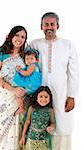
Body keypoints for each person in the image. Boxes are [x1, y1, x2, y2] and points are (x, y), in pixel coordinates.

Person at [30, 12, 79, 150]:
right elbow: (20, 56)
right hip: (39, 92)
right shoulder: (34, 44)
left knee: (63, 123)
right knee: (40, 122)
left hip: (61, 91)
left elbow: (74, 72)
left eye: (52, 24)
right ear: (41, 27)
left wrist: (71, 95)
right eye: (46, 24)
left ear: (58, 26)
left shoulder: (67, 44)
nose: (49, 27)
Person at [0, 25, 28, 150]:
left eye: (23, 37)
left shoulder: (25, 54)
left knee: (22, 129)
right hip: (7, 97)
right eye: (17, 35)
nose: (19, 39)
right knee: (5, 130)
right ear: (10, 36)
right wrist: (13, 90)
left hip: (22, 97)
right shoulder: (1, 53)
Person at [19, 86, 55, 150]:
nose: (43, 99)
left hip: (43, 140)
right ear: (36, 98)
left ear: (50, 99)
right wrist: (23, 136)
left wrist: (51, 127)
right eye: (41, 96)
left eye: (46, 97)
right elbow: (27, 122)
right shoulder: (32, 108)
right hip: (31, 138)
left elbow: (52, 122)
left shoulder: (50, 110)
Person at [12, 48, 42, 113]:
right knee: (26, 99)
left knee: (18, 95)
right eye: (27, 59)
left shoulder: (33, 66)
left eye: (31, 59)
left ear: (37, 60)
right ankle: (26, 109)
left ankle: (21, 108)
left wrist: (19, 70)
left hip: (31, 85)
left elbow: (27, 73)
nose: (29, 61)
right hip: (33, 88)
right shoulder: (31, 66)